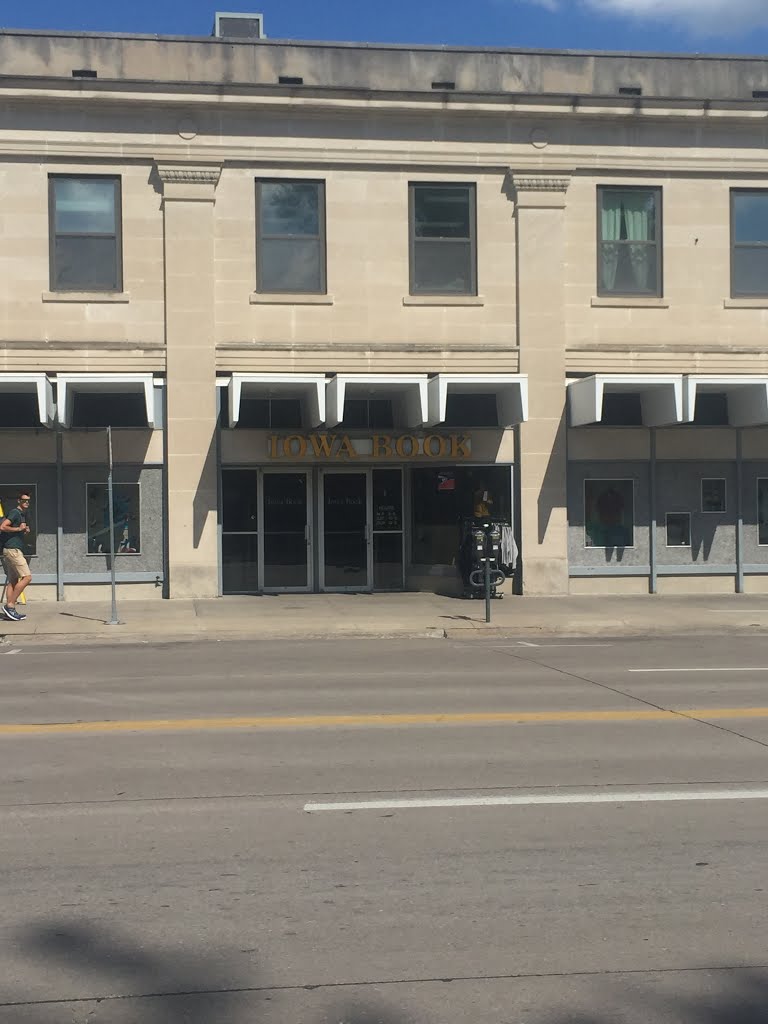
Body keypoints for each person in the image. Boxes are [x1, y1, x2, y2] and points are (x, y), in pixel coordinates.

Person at [1, 492, 32, 621]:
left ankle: (10, 612)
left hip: (11, 550)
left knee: (13, 580)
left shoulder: (21, 515)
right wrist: (19, 529)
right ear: (19, 501)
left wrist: (23, 530)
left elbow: (14, 529)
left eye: (28, 501)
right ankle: (10, 605)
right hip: (13, 551)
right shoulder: (15, 512)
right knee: (27, 578)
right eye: (24, 500)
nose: (26, 502)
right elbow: (3, 527)